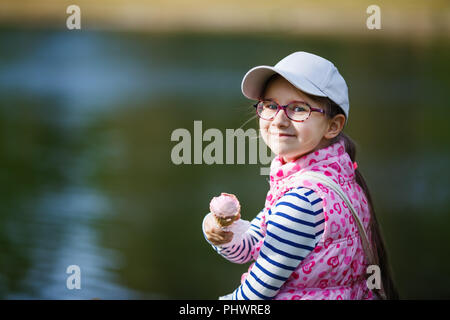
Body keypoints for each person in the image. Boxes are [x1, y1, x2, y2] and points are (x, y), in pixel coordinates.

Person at [202, 52, 398, 300]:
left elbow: (253, 296)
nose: (279, 120)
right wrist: (223, 232)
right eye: (271, 105)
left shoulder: (303, 201)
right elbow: (254, 244)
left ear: (333, 126)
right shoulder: (337, 177)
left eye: (298, 109)